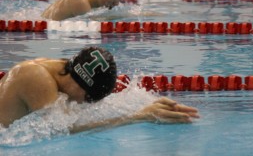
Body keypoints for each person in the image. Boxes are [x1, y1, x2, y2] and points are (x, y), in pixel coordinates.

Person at [0, 46, 199, 133]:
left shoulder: (64, 69)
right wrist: (137, 117)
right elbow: (60, 130)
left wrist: (148, 105)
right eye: (88, 98)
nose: (86, 103)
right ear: (80, 84)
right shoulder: (37, 78)